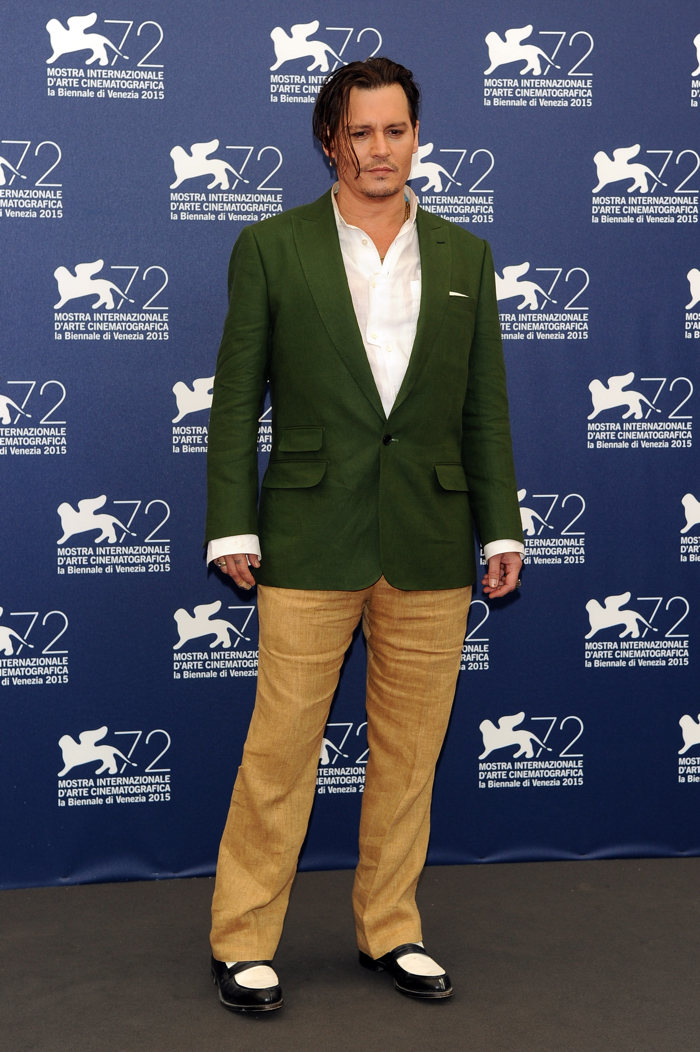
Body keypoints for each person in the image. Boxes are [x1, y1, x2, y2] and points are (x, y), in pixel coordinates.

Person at [205, 57, 524, 1012]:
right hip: (308, 533)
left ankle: (391, 926)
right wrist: (231, 523)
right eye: (360, 132)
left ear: (415, 138)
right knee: (280, 750)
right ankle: (242, 939)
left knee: (411, 755)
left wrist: (501, 529)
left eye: (395, 130)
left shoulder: (467, 256)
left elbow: (484, 409)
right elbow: (235, 401)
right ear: (329, 141)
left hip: (431, 535)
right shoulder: (272, 247)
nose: (379, 149)